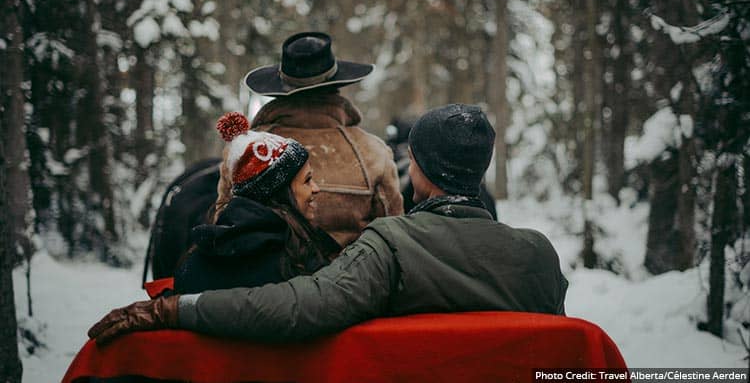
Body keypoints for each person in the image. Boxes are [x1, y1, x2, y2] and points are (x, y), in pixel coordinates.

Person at [88, 104, 568, 345]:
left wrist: (173, 311)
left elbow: (296, 307)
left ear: (416, 168)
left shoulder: (392, 244)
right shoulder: (540, 256)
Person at [214, 32, 403, 247]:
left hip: (266, 277)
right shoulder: (372, 151)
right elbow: (392, 237)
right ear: (336, 87)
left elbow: (224, 224)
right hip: (351, 279)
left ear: (279, 90)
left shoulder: (248, 150)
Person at [173, 112, 340, 294]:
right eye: (307, 180)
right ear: (279, 192)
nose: (316, 188)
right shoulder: (297, 261)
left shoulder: (198, 257)